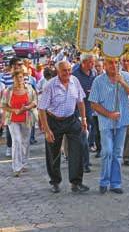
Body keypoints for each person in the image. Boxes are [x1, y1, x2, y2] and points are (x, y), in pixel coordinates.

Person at [38, 61, 89, 194]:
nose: (67, 73)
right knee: (53, 152)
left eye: (69, 70)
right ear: (58, 71)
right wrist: (47, 130)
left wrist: (83, 119)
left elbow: (80, 101)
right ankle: (55, 182)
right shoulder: (50, 85)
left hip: (71, 119)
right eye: (64, 71)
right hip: (54, 120)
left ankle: (76, 183)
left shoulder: (75, 81)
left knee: (77, 150)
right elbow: (42, 109)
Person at [89, 57, 129, 194]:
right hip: (105, 121)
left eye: (116, 62)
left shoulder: (126, 76)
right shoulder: (98, 81)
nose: (114, 65)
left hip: (122, 120)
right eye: (110, 62)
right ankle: (104, 180)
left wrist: (122, 82)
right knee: (107, 151)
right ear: (104, 64)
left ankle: (115, 183)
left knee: (117, 153)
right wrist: (108, 114)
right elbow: (93, 103)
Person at [1, 70, 37, 176]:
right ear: (13, 79)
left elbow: (35, 101)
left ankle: (24, 163)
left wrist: (27, 107)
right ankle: (16, 167)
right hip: (12, 119)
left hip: (27, 118)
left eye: (21, 77)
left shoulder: (29, 89)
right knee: (17, 141)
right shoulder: (8, 90)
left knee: (25, 142)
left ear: (23, 78)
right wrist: (13, 110)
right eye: (17, 78)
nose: (19, 79)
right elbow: (3, 105)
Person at [72, 53, 96, 172]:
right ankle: (84, 163)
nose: (93, 64)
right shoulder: (75, 75)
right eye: (91, 62)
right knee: (82, 137)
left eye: (93, 62)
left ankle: (85, 160)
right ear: (84, 63)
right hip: (78, 111)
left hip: (90, 109)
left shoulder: (94, 73)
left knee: (91, 133)